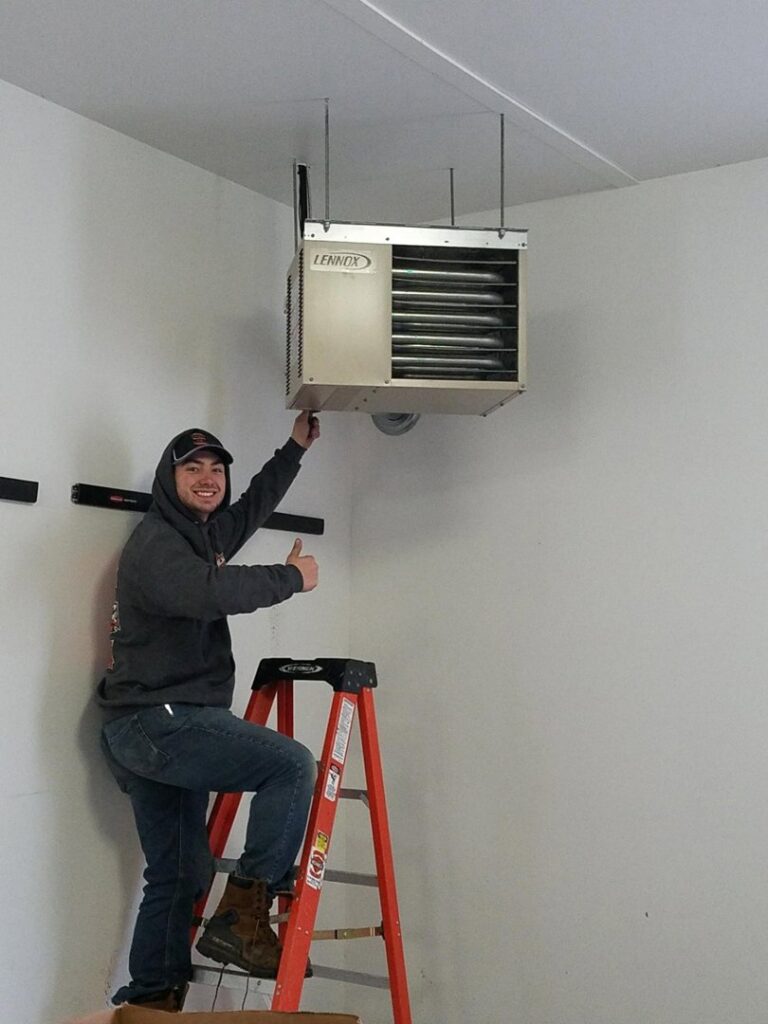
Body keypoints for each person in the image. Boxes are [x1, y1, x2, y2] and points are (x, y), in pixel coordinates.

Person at [97, 412, 320, 1012]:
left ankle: (151, 998)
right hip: (159, 722)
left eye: (215, 469)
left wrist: (295, 448)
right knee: (292, 766)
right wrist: (291, 578)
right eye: (192, 468)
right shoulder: (157, 547)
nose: (207, 478)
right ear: (168, 482)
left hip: (147, 724)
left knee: (178, 872)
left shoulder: (204, 536)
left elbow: (250, 508)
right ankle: (243, 916)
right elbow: (209, 594)